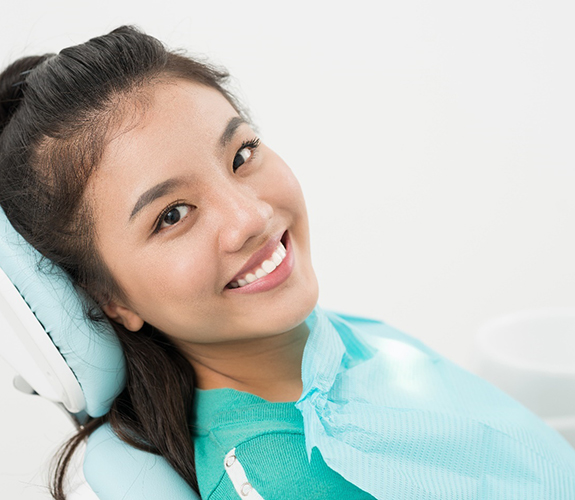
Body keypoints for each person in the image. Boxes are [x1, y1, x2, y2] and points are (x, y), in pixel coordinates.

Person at [1, 26, 574, 500]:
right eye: (173, 215)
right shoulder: (272, 479)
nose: (249, 215)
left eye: (241, 154)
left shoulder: (322, 344)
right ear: (110, 298)